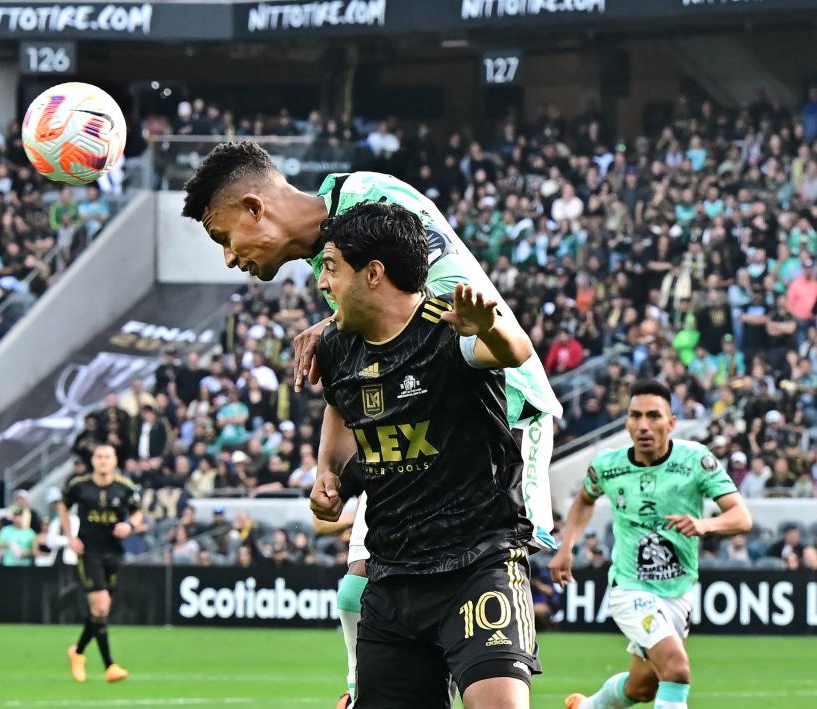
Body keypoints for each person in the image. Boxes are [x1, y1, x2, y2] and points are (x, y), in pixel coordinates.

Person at [182, 141, 564, 706]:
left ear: (254, 208)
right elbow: (356, 374)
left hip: (501, 414)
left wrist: (335, 320)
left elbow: (433, 302)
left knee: (483, 567)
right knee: (358, 588)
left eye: (224, 237)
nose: (230, 258)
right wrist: (326, 465)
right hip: (419, 431)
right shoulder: (329, 268)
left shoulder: (371, 197)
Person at [308, 204, 539, 708]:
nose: (322, 283)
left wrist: (487, 328)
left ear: (373, 273)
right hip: (393, 580)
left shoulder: (447, 327)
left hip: (478, 565)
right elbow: (340, 407)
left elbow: (513, 351)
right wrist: (328, 471)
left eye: (330, 267)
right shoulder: (338, 347)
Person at [551, 380, 752, 709]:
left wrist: (704, 524)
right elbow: (584, 500)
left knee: (641, 688)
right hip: (630, 588)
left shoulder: (695, 460)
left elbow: (741, 517)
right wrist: (566, 546)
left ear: (671, 421)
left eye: (654, 416)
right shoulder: (608, 464)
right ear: (627, 421)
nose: (644, 425)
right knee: (676, 669)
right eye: (636, 416)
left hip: (679, 590)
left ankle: (587, 707)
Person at [59, 443, 146, 685]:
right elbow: (63, 506)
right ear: (93, 460)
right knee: (100, 604)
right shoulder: (78, 485)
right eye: (99, 456)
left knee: (102, 610)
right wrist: (70, 536)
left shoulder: (125, 487)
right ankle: (110, 665)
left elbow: (138, 512)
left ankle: (77, 652)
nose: (103, 460)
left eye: (107, 456)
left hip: (114, 552)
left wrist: (130, 525)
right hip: (89, 552)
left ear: (115, 460)